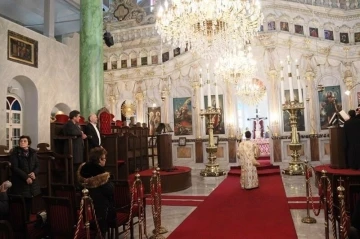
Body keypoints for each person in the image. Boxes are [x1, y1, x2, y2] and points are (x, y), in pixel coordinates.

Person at [77, 147, 115, 237]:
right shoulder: (102, 175)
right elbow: (110, 190)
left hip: (85, 211)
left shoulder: (83, 170)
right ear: (99, 159)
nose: (105, 161)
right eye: (104, 158)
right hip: (100, 212)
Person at [10, 135, 41, 219]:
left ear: (28, 143)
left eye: (24, 141)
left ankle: (27, 220)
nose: (22, 142)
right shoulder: (15, 153)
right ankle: (23, 221)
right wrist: (26, 177)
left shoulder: (33, 153)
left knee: (29, 201)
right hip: (21, 181)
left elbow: (37, 165)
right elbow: (15, 168)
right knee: (22, 202)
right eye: (21, 141)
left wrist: (34, 173)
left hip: (32, 180)